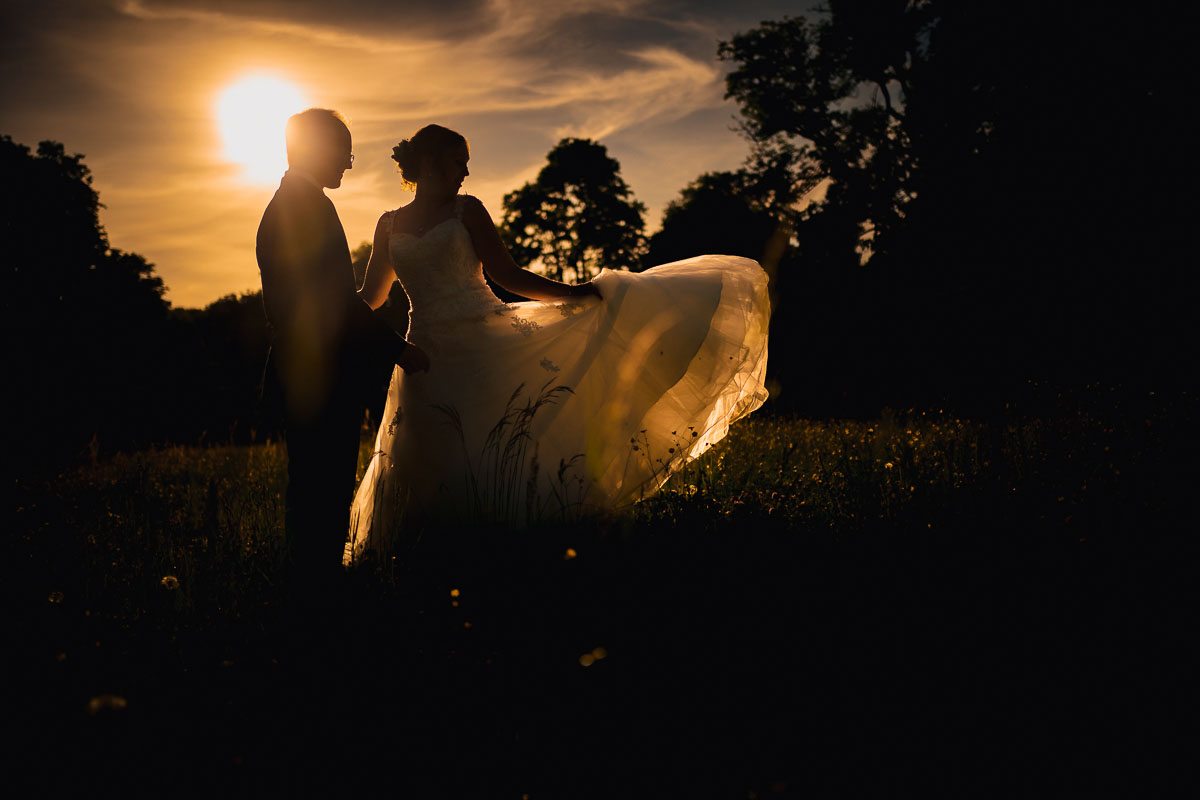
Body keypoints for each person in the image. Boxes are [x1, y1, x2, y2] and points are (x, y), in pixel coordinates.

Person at [346, 124, 769, 562]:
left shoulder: (466, 211)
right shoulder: (388, 224)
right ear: (431, 163)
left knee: (486, 445)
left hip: (483, 344)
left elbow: (507, 276)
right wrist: (330, 310)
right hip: (424, 354)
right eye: (458, 162)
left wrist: (576, 294)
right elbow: (372, 296)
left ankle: (497, 543)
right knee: (426, 451)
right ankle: (428, 552)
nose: (465, 173)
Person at [256, 108, 430, 595]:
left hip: (312, 372)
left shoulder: (296, 201)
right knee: (321, 485)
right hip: (316, 375)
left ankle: (312, 582)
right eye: (345, 152)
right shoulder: (302, 206)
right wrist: (401, 350)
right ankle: (317, 589)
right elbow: (330, 302)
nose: (350, 164)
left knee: (316, 484)